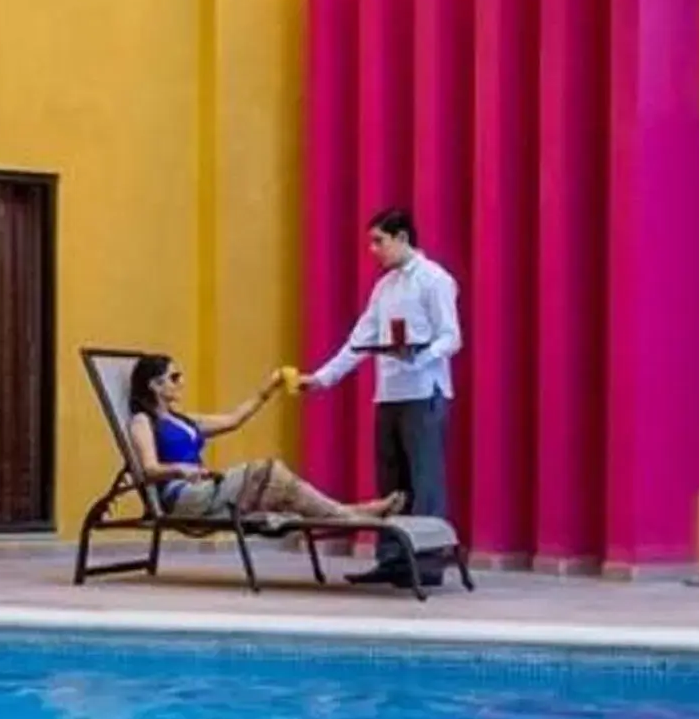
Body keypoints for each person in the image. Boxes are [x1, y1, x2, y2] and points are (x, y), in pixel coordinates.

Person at [299, 207, 461, 587]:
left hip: (424, 392)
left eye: (379, 241)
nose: (373, 249)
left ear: (403, 237)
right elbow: (360, 340)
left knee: (425, 482)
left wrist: (422, 357)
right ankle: (392, 558)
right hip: (389, 394)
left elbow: (451, 336)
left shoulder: (435, 280)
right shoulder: (384, 287)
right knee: (392, 485)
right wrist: (323, 378)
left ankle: (426, 563)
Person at [125, 354, 403, 525]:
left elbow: (235, 419)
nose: (181, 381)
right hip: (184, 496)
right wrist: (178, 469)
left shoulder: (184, 420)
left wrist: (269, 388)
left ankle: (352, 513)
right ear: (155, 385)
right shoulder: (143, 422)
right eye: (174, 377)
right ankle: (354, 514)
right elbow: (149, 469)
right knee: (267, 470)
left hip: (207, 488)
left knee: (284, 490)